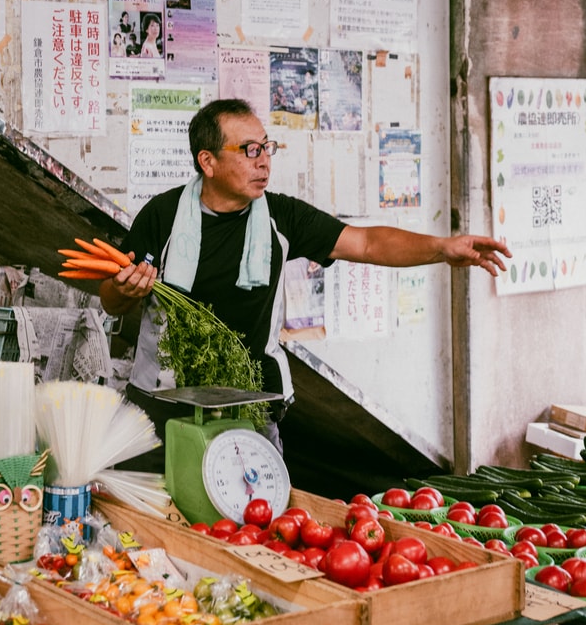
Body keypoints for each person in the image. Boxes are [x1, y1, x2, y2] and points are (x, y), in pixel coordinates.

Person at [99, 99, 511, 466]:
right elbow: (110, 300)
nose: (264, 162)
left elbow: (367, 244)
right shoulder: (163, 217)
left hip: (251, 406)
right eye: (249, 150)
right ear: (207, 162)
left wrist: (442, 248)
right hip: (160, 405)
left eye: (266, 147)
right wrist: (124, 290)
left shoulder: (282, 218)